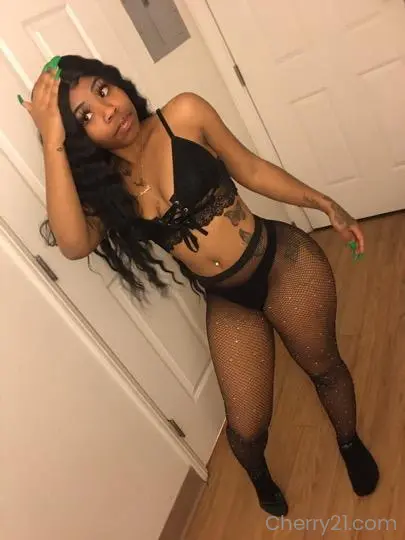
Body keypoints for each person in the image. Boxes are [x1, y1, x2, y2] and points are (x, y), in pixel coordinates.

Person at [20, 55, 379, 516]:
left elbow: (251, 170)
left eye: (103, 90)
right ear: (77, 138)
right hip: (228, 299)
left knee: (324, 366)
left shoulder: (184, 114)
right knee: (246, 425)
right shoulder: (110, 190)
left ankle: (349, 443)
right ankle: (259, 475)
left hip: (282, 264)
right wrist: (51, 139)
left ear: (118, 83)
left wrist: (325, 204)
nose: (108, 110)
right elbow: (73, 244)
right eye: (85, 116)